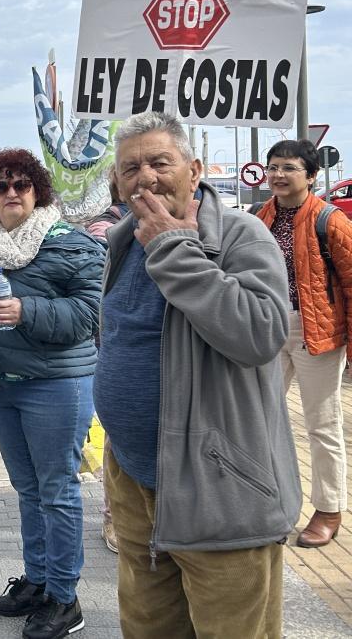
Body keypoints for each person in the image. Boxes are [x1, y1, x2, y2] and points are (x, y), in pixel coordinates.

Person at [96, 112, 298, 639]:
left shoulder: (240, 235)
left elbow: (260, 335)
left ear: (194, 169)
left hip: (217, 487)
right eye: (131, 167)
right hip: (136, 482)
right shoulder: (121, 239)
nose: (145, 177)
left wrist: (173, 250)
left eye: (161, 162)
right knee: (147, 627)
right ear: (116, 181)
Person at [0, 148, 102, 639]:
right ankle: (38, 580)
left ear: (37, 190)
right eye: (0, 186)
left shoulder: (71, 243)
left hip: (57, 386)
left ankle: (66, 599)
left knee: (58, 492)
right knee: (28, 491)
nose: (11, 193)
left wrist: (28, 311)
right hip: (6, 386)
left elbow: (90, 315)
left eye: (21, 184)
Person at [252, 138, 350, 548]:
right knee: (261, 419)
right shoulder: (260, 218)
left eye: (288, 167)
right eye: (273, 167)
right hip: (271, 329)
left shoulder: (332, 221)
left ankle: (328, 509)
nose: (277, 174)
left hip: (319, 333)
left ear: (310, 176)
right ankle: (272, 506)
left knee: (322, 424)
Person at [83, 170, 126, 556]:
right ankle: (115, 517)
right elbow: (96, 288)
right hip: (117, 350)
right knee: (118, 440)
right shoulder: (105, 228)